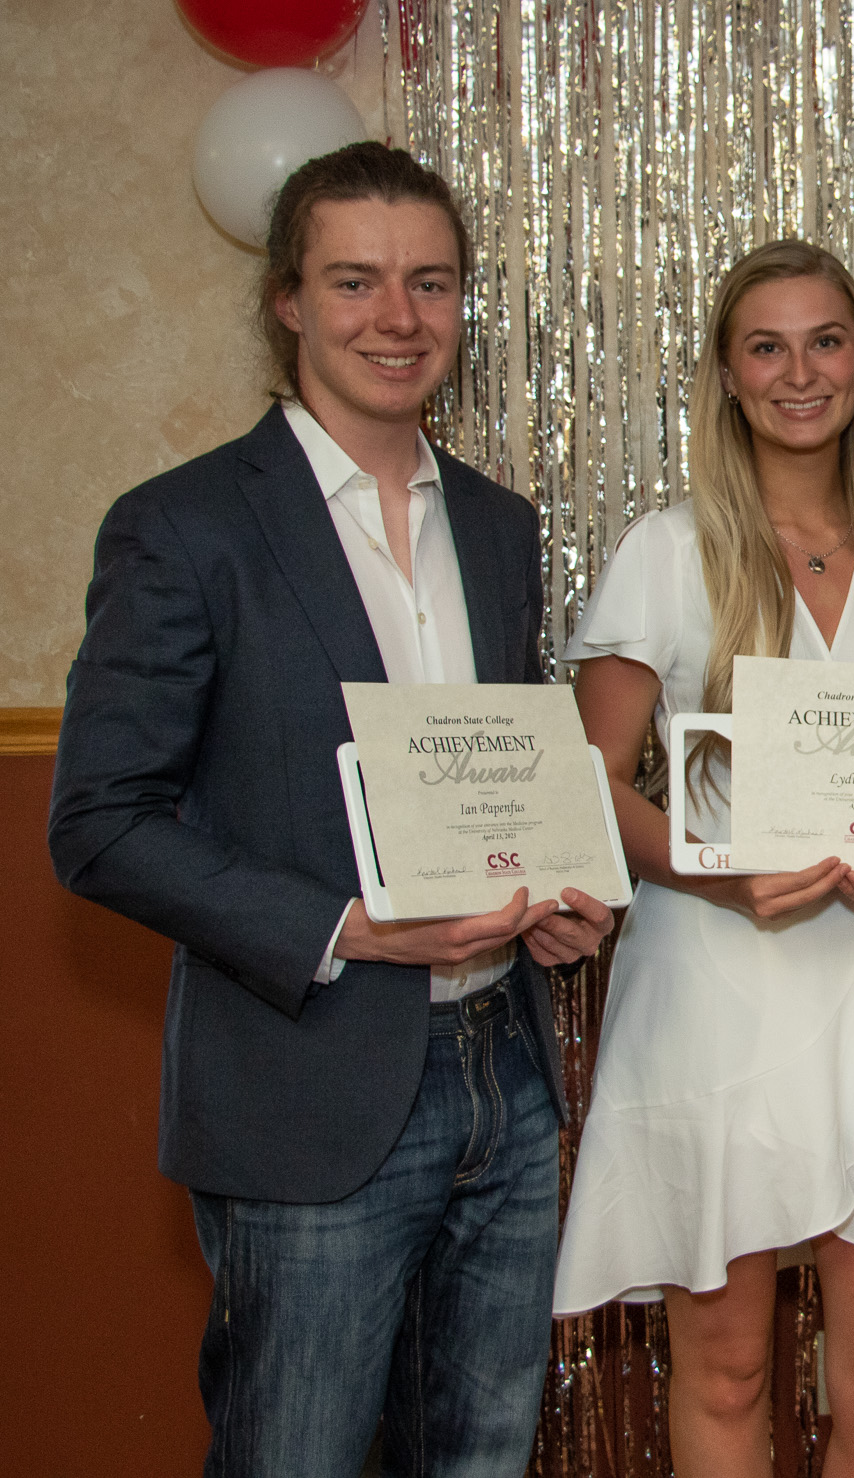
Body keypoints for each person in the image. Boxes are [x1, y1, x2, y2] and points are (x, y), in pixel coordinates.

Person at [46, 141, 615, 1476]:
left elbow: (492, 771)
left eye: (430, 282)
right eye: (355, 281)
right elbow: (100, 819)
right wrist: (349, 928)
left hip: (505, 1077)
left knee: (478, 1456)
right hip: (308, 1083)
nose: (396, 317)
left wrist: (551, 892)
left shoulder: (497, 525)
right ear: (288, 301)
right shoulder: (181, 528)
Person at [550, 239, 854, 1478]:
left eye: (825, 340)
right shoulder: (666, 546)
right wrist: (715, 869)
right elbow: (588, 780)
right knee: (730, 1364)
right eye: (766, 345)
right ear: (727, 375)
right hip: (714, 985)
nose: (799, 371)